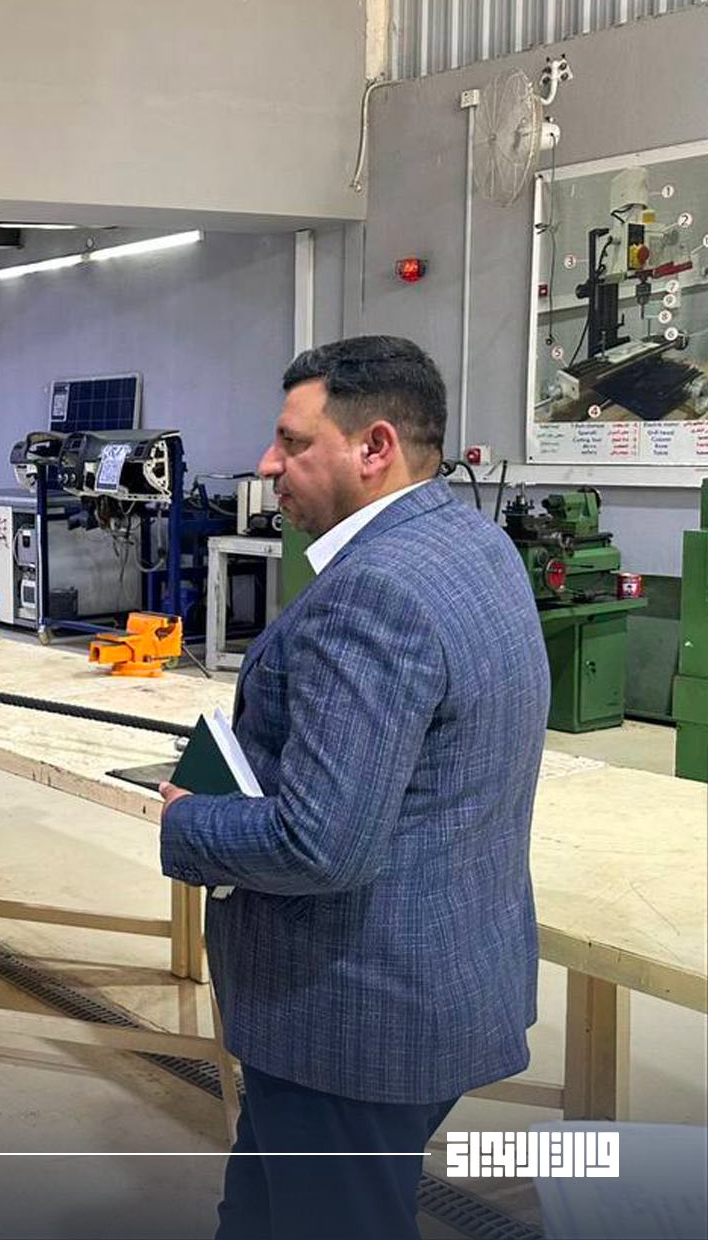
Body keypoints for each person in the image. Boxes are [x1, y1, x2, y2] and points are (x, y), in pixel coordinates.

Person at [158, 335, 551, 1240]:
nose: (268, 465)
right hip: (441, 970)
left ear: (374, 447)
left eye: (294, 442)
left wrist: (191, 823)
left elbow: (318, 844)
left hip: (350, 1016)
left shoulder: (372, 593)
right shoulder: (473, 543)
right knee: (260, 1214)